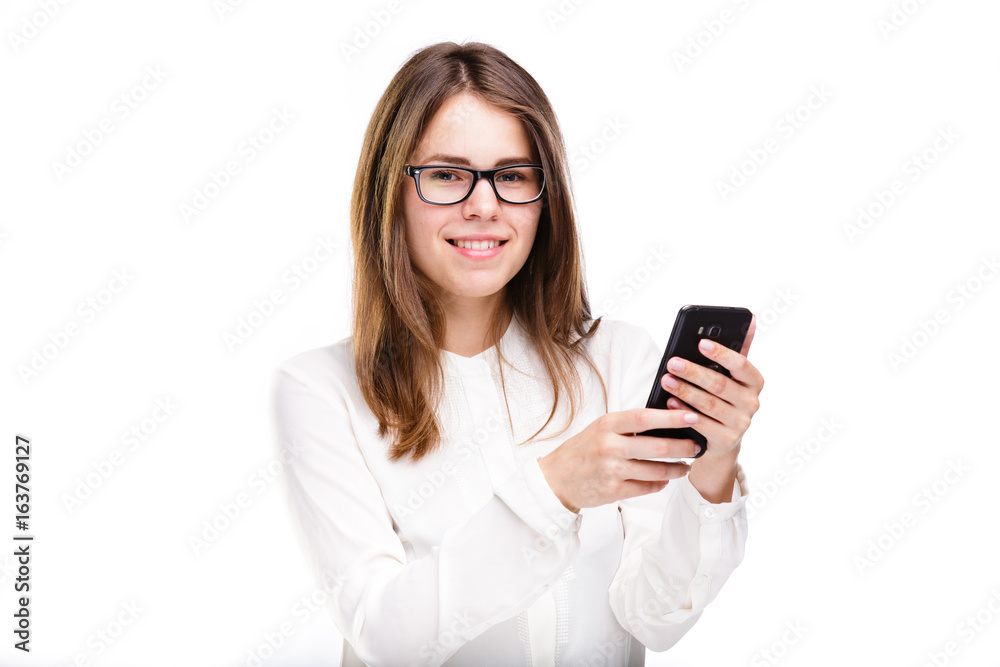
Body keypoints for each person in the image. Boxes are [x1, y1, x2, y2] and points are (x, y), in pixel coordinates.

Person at [270, 41, 764, 667]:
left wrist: (714, 468)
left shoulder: (616, 358)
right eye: (447, 175)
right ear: (389, 191)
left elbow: (654, 618)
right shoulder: (321, 389)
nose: (484, 205)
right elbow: (386, 636)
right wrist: (552, 491)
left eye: (512, 176)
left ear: (545, 195)